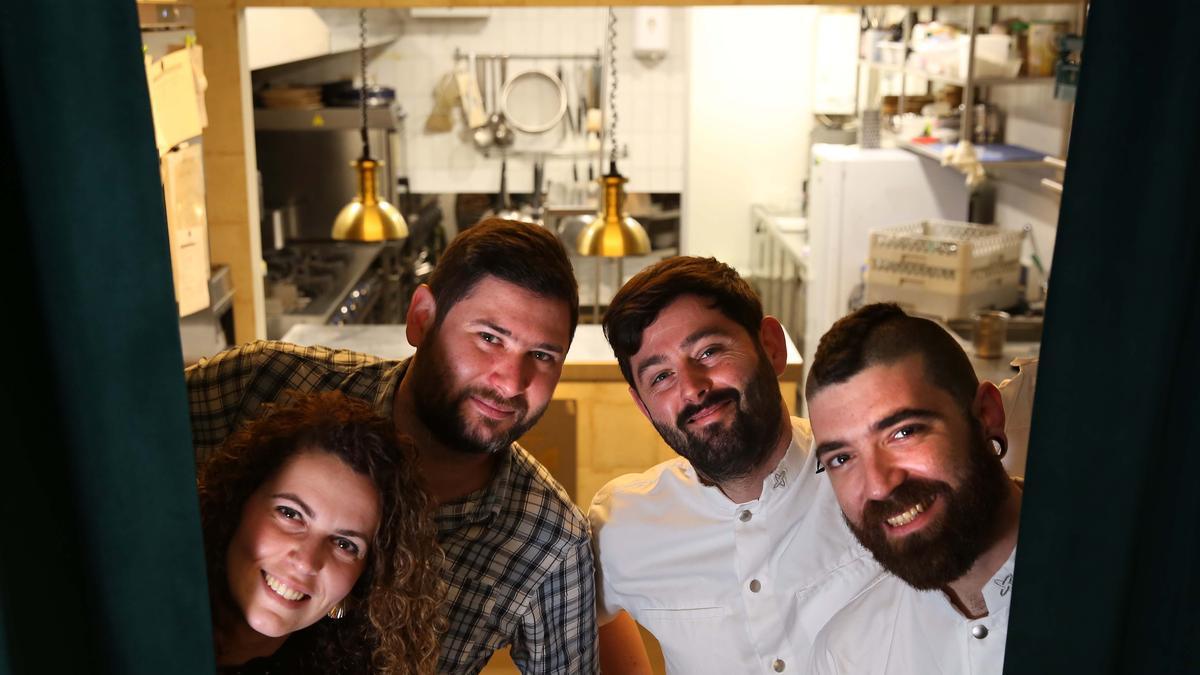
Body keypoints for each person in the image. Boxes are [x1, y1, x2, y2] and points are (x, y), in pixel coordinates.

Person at [187, 218, 597, 674]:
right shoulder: (262, 381)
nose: (511, 380)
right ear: (422, 318)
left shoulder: (550, 542)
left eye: (542, 356)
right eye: (489, 338)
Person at [590, 256, 881, 674]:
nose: (692, 388)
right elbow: (575, 619)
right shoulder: (623, 523)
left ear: (771, 346)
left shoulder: (876, 478)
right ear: (642, 405)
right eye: (660, 377)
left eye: (709, 351)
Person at [804, 303, 1023, 675]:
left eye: (903, 432)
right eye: (842, 458)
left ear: (987, 415)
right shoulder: (846, 653)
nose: (878, 485)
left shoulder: (1133, 595)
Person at [197, 390, 444, 674]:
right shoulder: (138, 620)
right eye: (290, 514)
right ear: (237, 504)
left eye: (344, 544)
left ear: (364, 580)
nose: (307, 561)